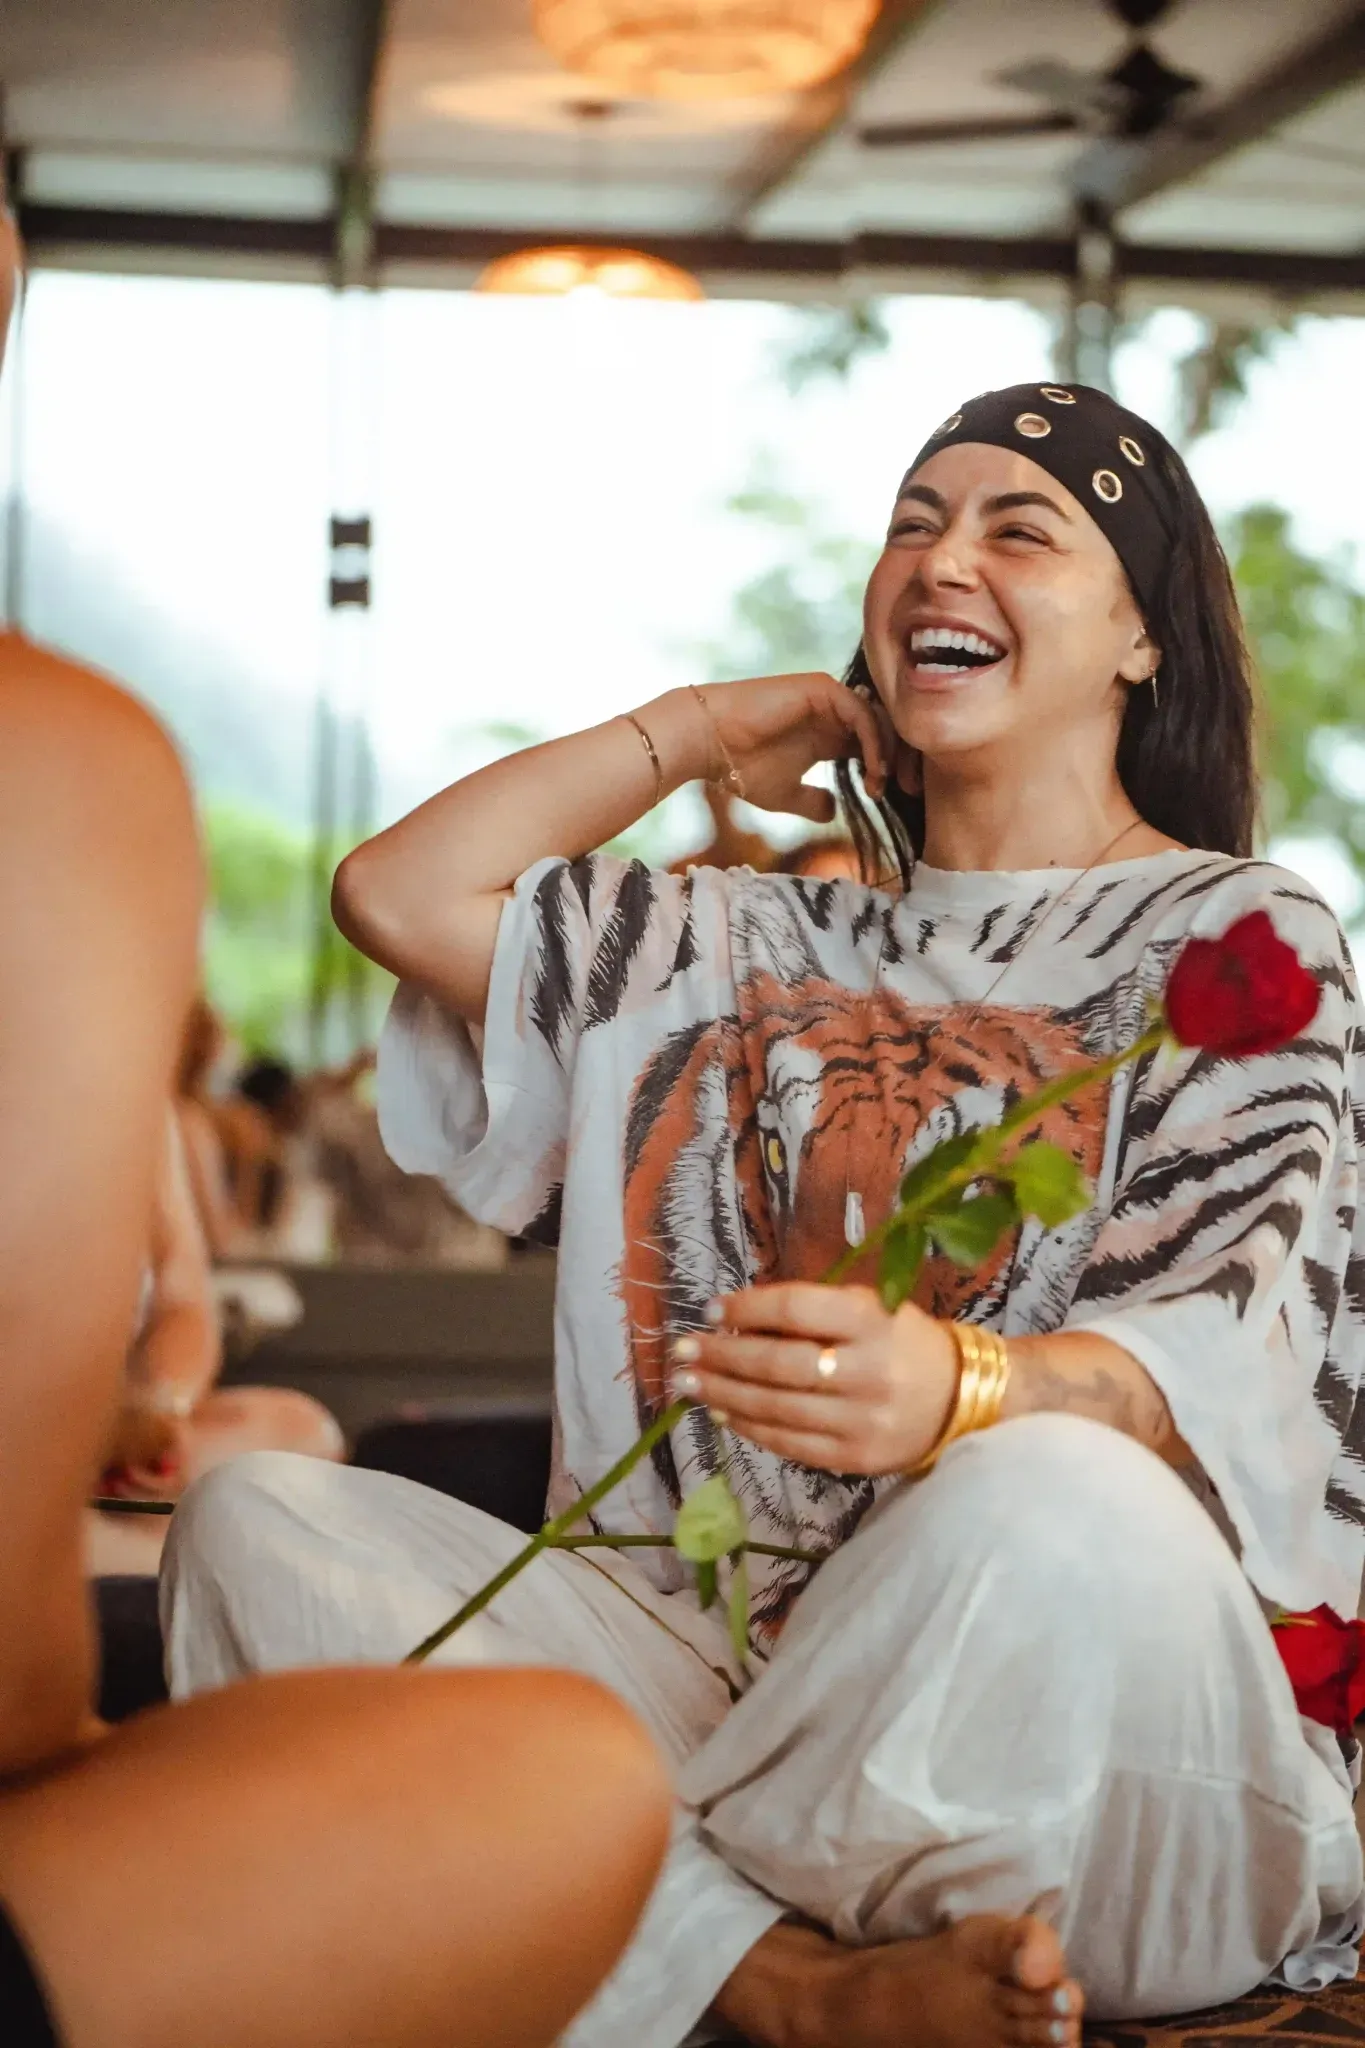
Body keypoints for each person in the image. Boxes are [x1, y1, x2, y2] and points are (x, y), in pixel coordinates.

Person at [163, 380, 1365, 2048]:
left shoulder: (1244, 930)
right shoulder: (733, 940)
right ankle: (781, 1983)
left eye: (1021, 529)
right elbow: (399, 893)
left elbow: (1216, 1357)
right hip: (708, 1674)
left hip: (1100, 1753)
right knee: (264, 1530)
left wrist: (963, 1393)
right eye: (913, 524)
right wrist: (708, 727)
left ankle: (604, 1903)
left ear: (1143, 642)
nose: (944, 560)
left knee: (1049, 1498)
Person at [0, 201, 669, 2047]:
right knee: (553, 1772)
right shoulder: (59, 769)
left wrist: (149, 1404)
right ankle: (786, 1985)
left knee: (269, 1436)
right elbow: (398, 888)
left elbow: (186, 1315)